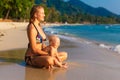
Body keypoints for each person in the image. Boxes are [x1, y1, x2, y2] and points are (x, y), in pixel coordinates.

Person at [25, 5, 68, 69]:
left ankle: (53, 62)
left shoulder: (39, 26)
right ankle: (53, 62)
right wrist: (48, 54)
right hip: (32, 57)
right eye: (42, 13)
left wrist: (51, 50)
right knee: (49, 60)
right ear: (35, 15)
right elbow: (34, 50)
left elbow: (41, 44)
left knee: (64, 54)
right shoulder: (32, 28)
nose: (44, 15)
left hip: (41, 54)